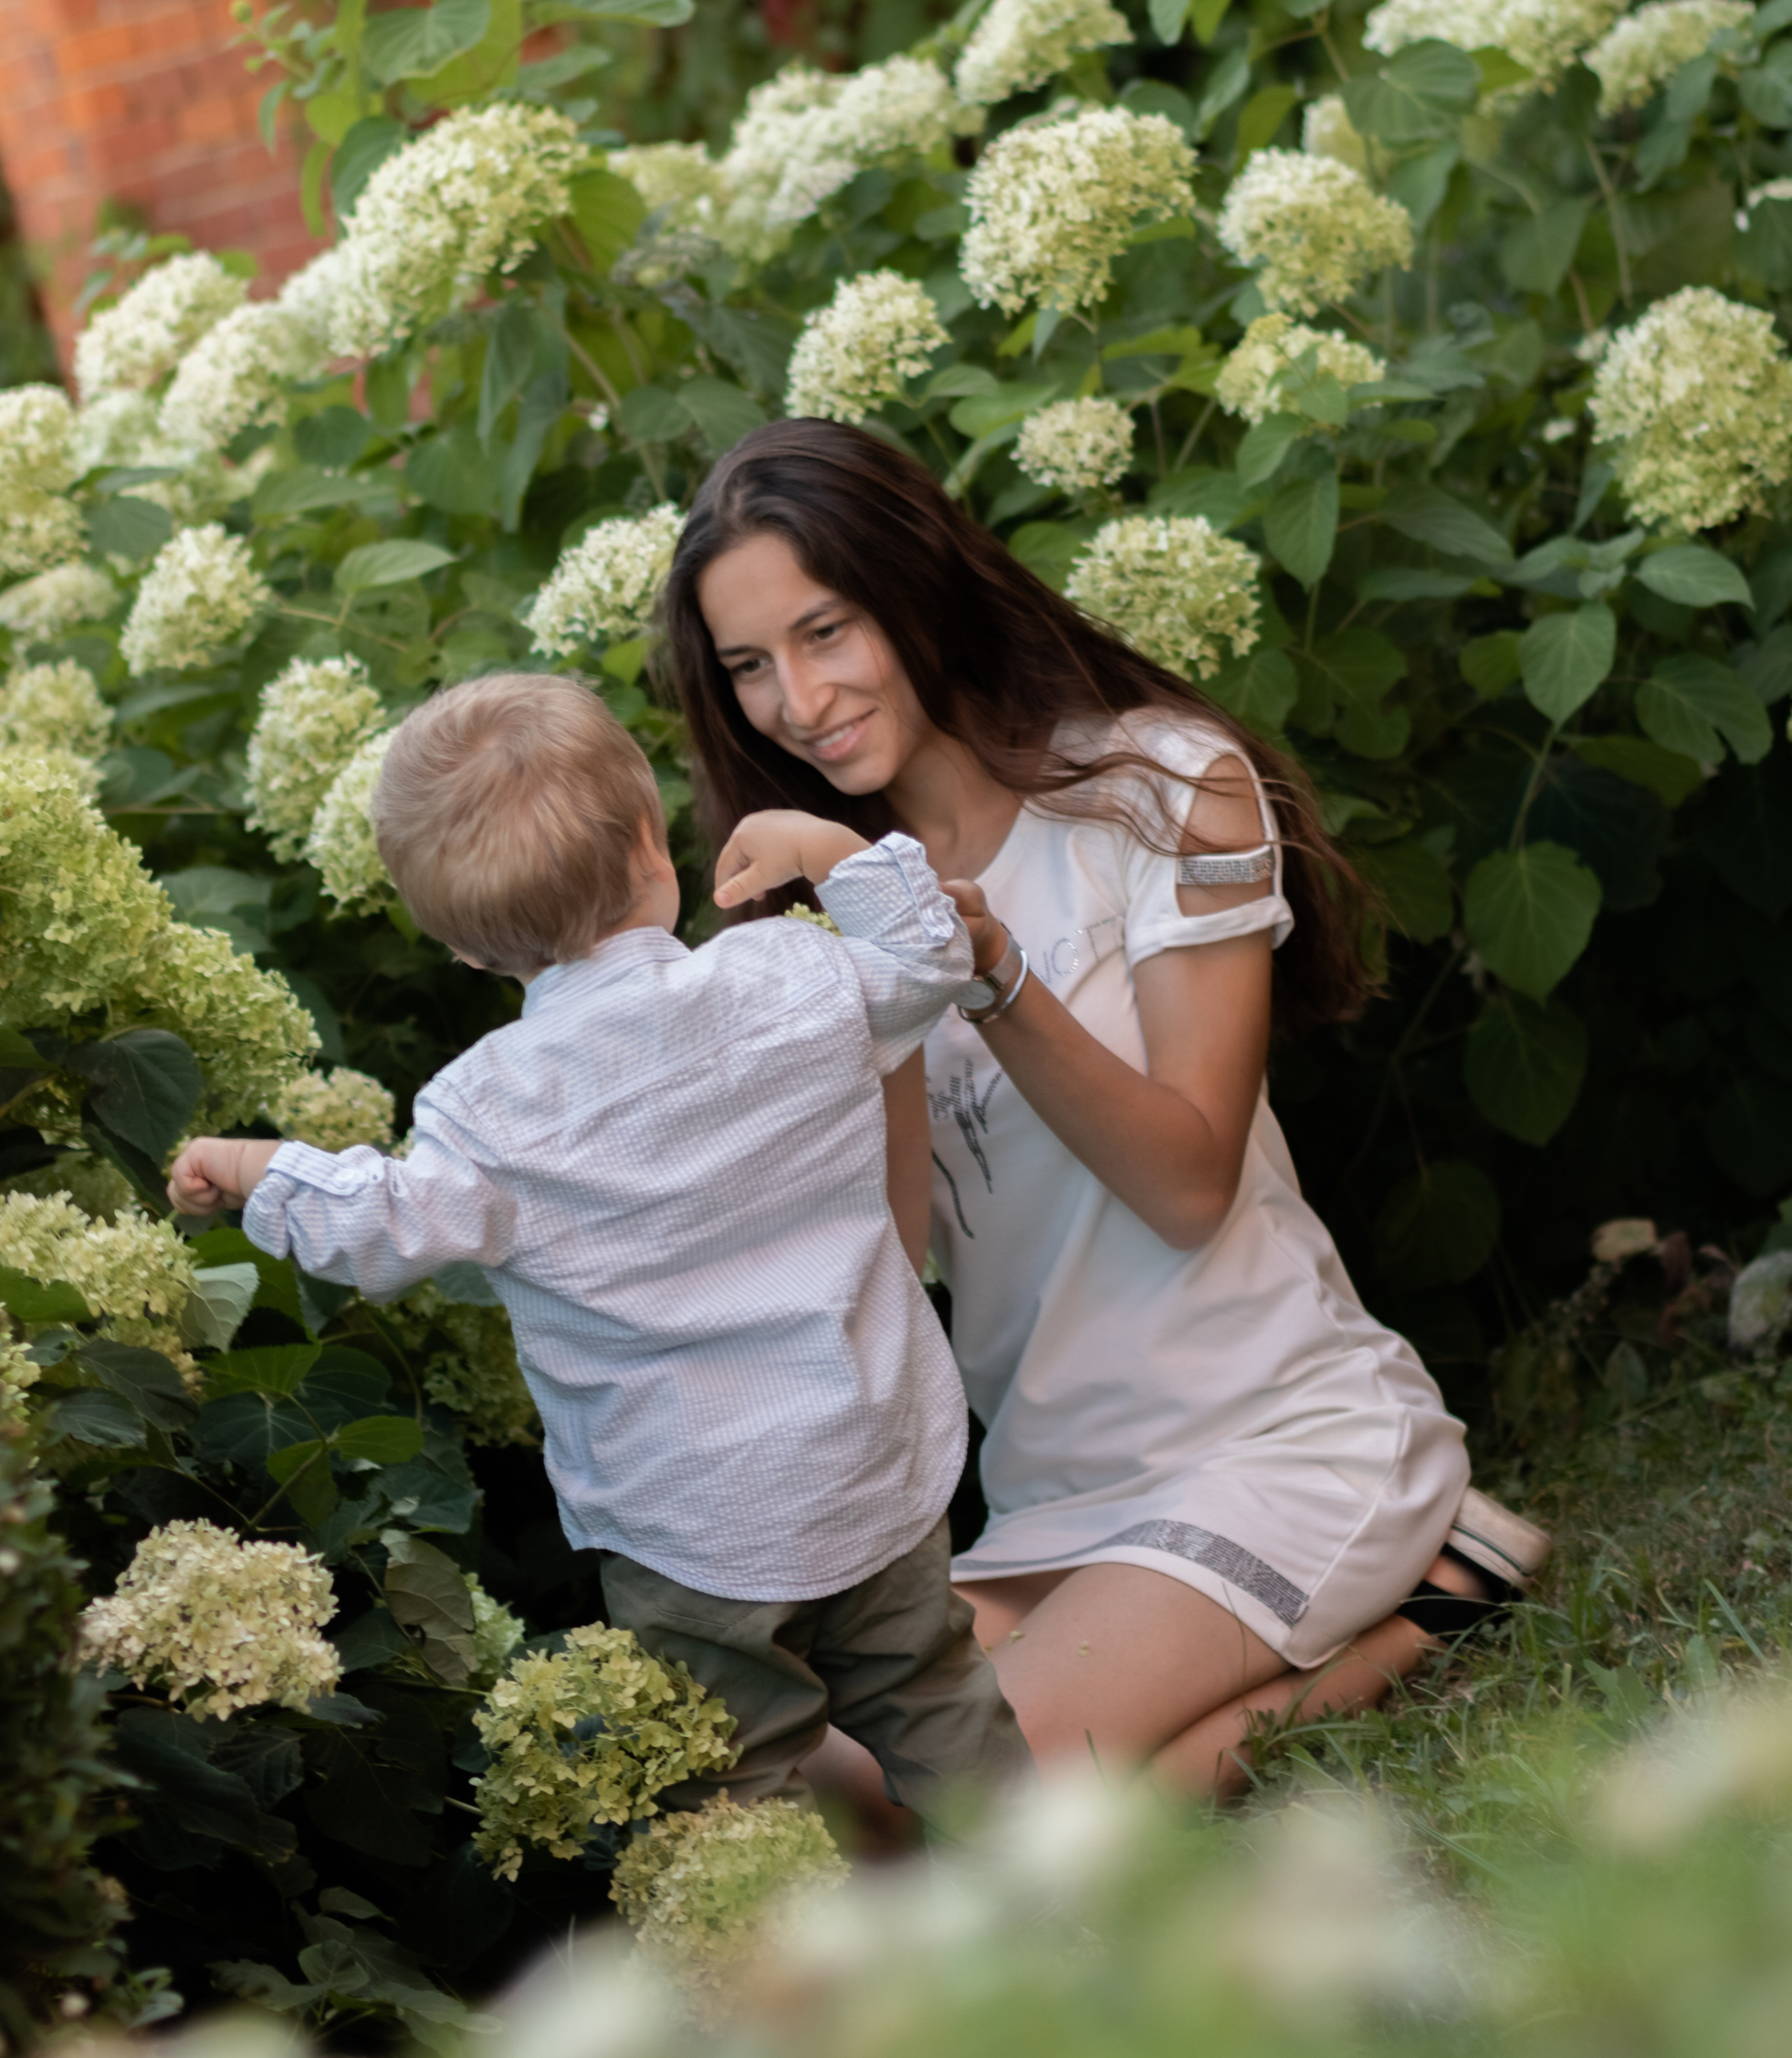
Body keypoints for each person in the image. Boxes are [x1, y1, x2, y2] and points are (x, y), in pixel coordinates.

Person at [664, 419, 1550, 1803]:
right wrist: (875, 975)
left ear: (912, 585)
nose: (797, 698)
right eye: (748, 669)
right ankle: (1426, 1594)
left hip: (1271, 1439)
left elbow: (1188, 1182)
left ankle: (1436, 1590)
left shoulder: (1163, 788)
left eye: (824, 632)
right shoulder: (837, 904)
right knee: (805, 1794)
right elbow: (896, 1259)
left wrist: (984, 967)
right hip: (1053, 1501)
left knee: (957, 1805)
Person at [169, 670, 1031, 1828]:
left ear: (464, 952)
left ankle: (772, 1981)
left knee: (733, 1787)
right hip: (869, 1453)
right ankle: (1064, 1917)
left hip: (692, 1525)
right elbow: (933, 960)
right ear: (651, 841)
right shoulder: (793, 979)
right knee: (940, 1702)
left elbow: (374, 1226)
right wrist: (830, 846)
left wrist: (254, 1168)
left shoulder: (491, 1112)